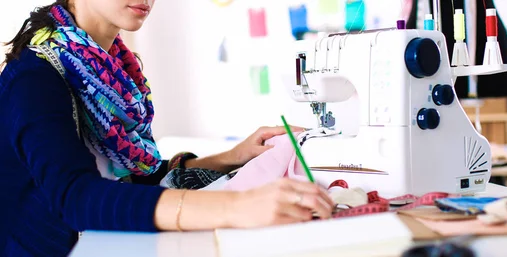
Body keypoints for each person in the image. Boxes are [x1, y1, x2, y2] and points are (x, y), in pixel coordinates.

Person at [0, 0, 334, 256]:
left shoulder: (115, 71)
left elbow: (129, 178)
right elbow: (76, 198)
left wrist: (231, 157)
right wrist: (238, 207)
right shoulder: (34, 76)